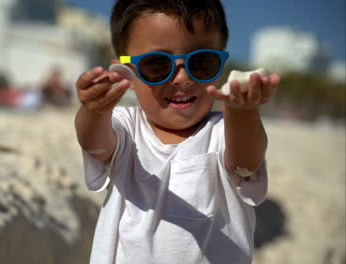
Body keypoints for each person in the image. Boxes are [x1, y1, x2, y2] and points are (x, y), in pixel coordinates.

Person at [74, 0, 280, 263]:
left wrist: (242, 112)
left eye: (202, 62)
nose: (182, 78)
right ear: (125, 74)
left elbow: (244, 163)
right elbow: (94, 143)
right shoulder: (125, 126)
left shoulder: (223, 132)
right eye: (157, 65)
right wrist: (94, 110)